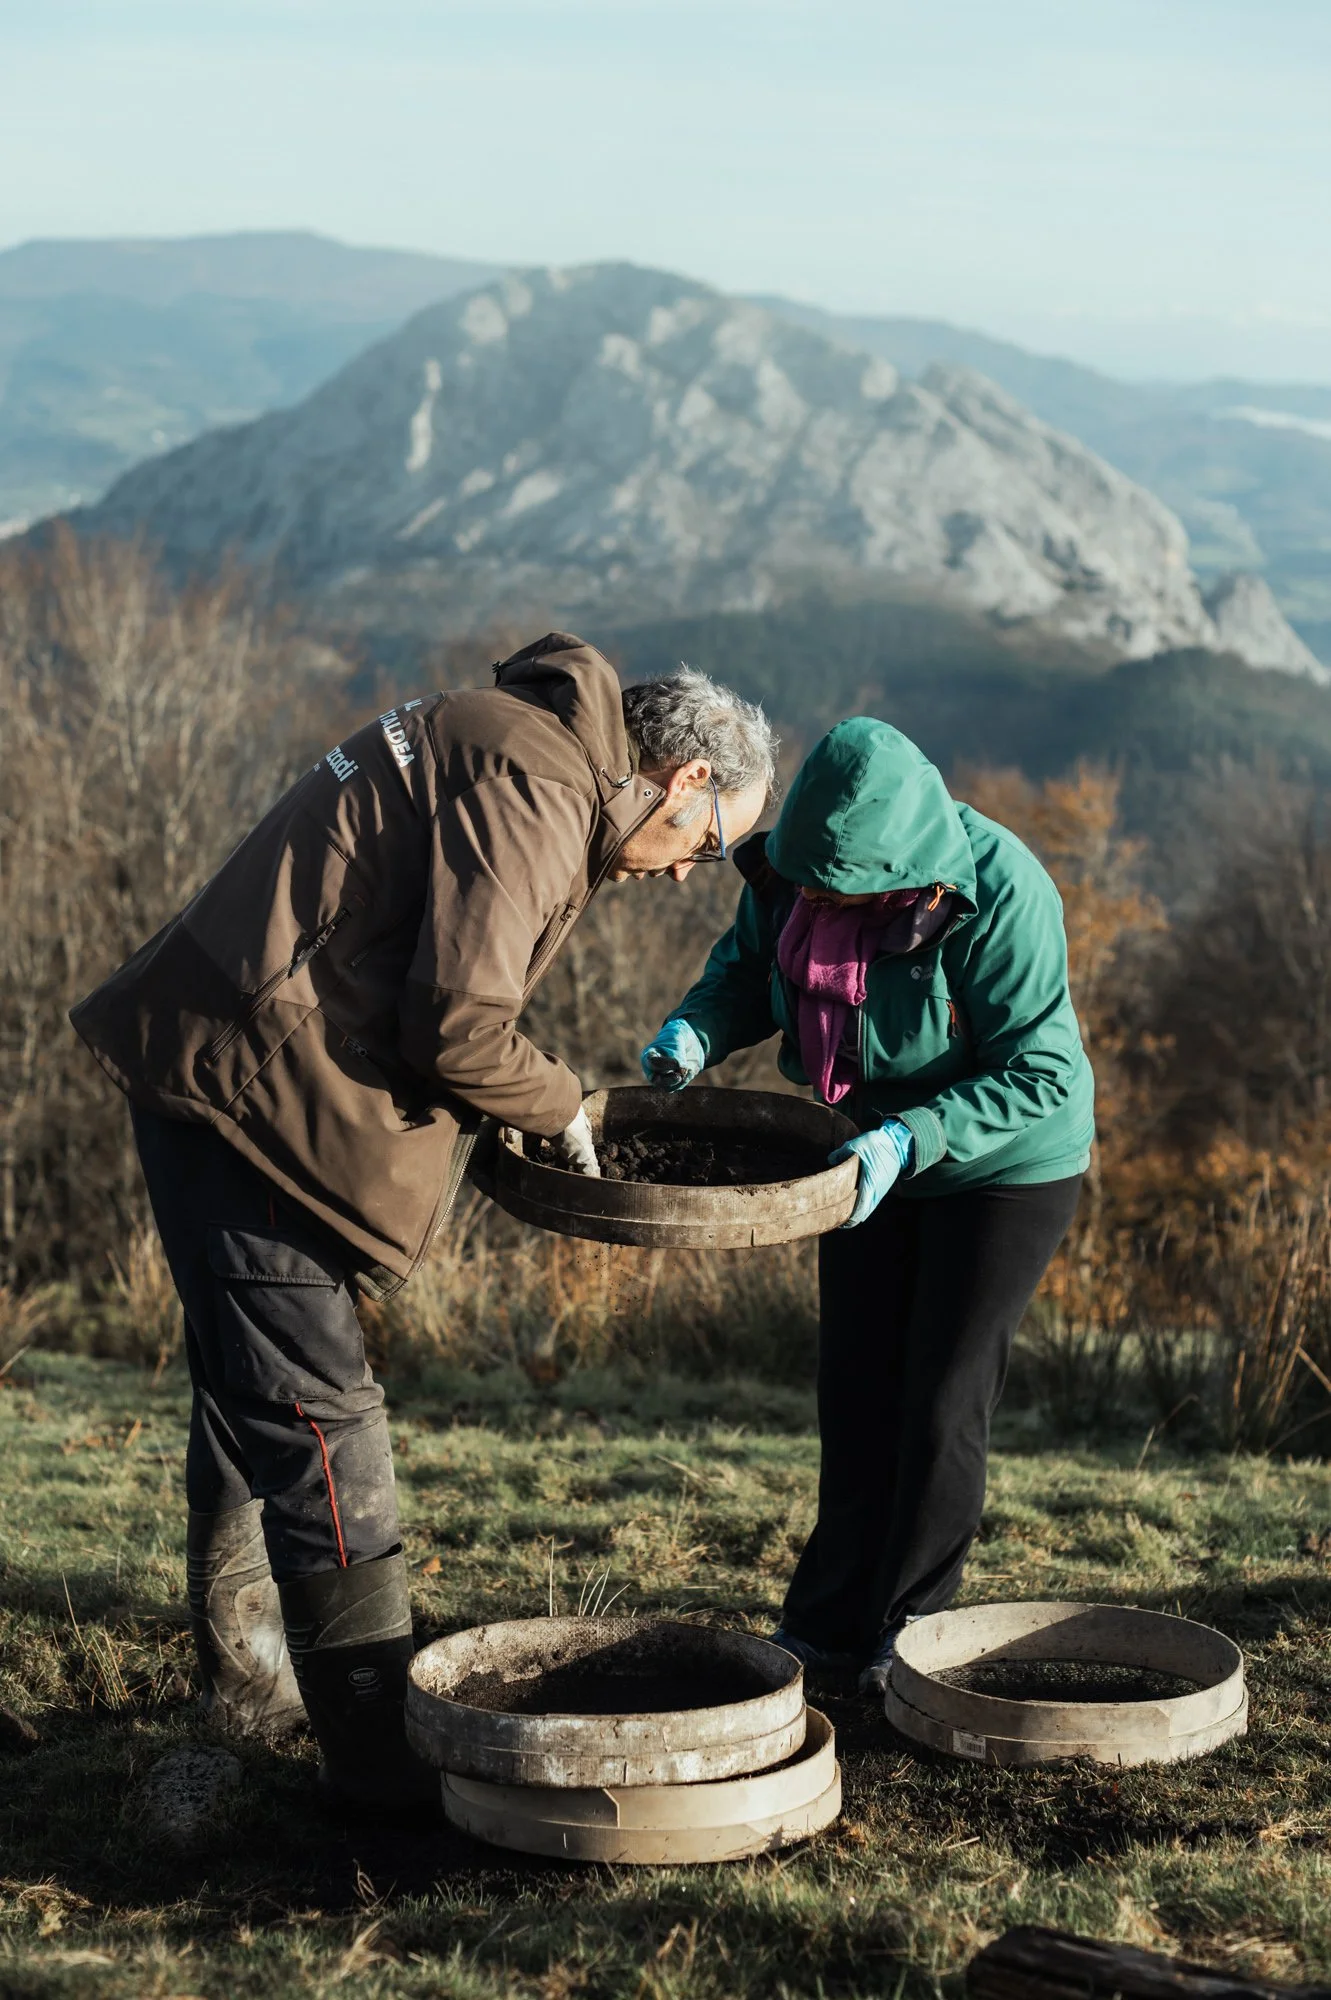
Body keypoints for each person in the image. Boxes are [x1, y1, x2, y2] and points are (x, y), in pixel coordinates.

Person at [70, 634, 777, 1806]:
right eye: (708, 844)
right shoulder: (543, 785)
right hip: (246, 1095)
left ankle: (251, 1683)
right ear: (683, 779)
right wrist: (560, 1106)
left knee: (253, 1385)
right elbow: (454, 1023)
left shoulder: (524, 741)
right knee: (321, 1424)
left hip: (228, 1057)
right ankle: (378, 1781)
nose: (687, 871)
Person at [641, 717, 1094, 1695]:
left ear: (899, 867)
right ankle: (822, 1626)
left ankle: (910, 1634)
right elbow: (748, 972)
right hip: (861, 1154)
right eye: (810, 886)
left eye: (839, 892)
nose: (818, 902)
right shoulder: (794, 878)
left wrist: (911, 1137)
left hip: (999, 1163)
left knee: (937, 1398)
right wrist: (696, 1028)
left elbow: (1044, 1075)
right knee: (854, 1390)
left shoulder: (998, 893)